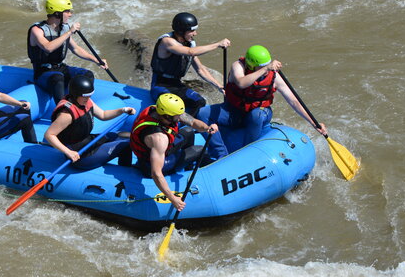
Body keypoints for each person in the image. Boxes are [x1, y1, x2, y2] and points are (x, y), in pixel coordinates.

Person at [200, 45, 328, 155]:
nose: (267, 68)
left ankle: (248, 152)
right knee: (203, 113)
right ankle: (221, 154)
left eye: (268, 64)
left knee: (256, 114)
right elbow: (241, 83)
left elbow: (294, 101)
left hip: (259, 113)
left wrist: (313, 123)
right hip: (234, 112)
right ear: (251, 65)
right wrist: (265, 68)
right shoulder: (238, 66)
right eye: (262, 66)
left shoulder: (274, 77)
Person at [130, 93, 218, 212]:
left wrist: (207, 128)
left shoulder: (157, 110)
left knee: (188, 131)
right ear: (167, 116)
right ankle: (197, 171)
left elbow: (193, 122)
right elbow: (156, 173)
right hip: (151, 164)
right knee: (199, 150)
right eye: (177, 116)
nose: (179, 117)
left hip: (161, 149)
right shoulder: (159, 139)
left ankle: (188, 167)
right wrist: (172, 198)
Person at [27, 0, 108, 103]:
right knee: (57, 78)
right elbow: (48, 48)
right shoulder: (37, 30)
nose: (70, 14)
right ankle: (62, 112)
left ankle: (80, 105)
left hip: (60, 68)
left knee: (87, 74)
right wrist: (69, 32)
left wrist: (96, 60)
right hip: (43, 72)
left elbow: (76, 49)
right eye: (67, 11)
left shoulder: (63, 28)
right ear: (57, 13)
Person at [43, 75, 135, 169]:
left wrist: (123, 110)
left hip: (88, 141)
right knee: (126, 145)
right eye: (85, 96)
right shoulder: (67, 114)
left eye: (90, 95)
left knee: (127, 136)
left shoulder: (86, 101)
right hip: (80, 155)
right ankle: (127, 172)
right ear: (75, 94)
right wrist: (68, 152)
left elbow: (103, 115)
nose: (88, 98)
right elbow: (49, 135)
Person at [150, 12, 230, 117]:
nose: (195, 33)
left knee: (200, 101)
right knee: (172, 106)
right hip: (160, 85)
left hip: (176, 84)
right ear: (181, 31)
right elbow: (190, 52)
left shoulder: (188, 43)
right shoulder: (167, 42)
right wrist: (218, 44)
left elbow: (200, 69)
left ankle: (187, 127)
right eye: (192, 30)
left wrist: (218, 86)